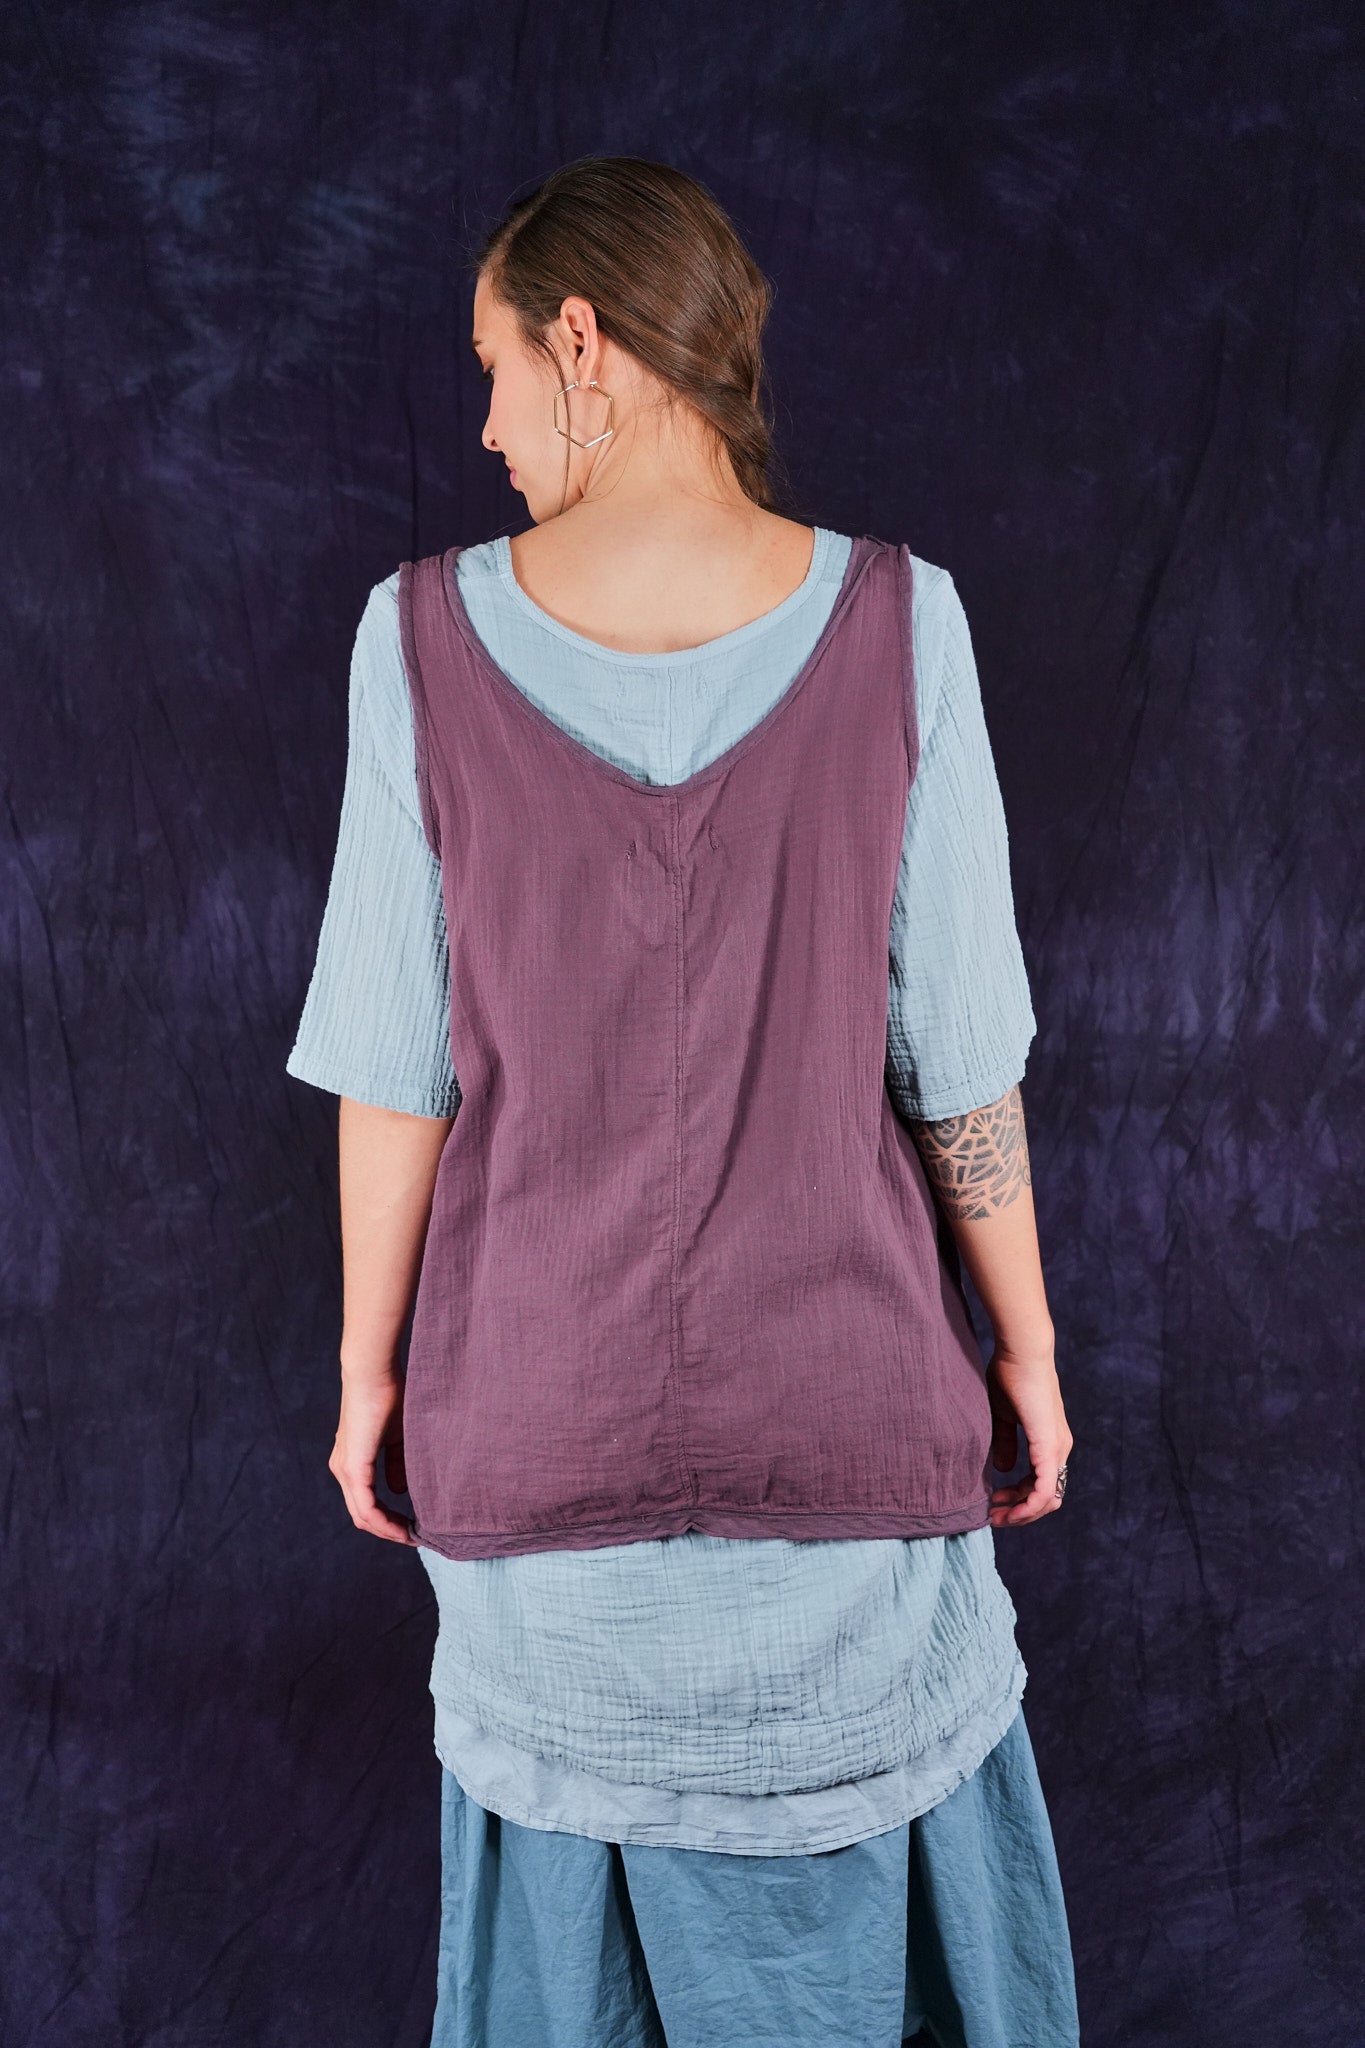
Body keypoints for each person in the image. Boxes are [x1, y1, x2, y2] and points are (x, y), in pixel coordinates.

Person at [286, 155, 1079, 2048]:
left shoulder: (413, 641)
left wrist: (369, 1378)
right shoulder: (907, 625)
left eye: (492, 369)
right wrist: (1028, 1354)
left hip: (533, 1453)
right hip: (851, 1467)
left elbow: (396, 1074)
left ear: (585, 341)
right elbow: (957, 1060)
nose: (486, 430)